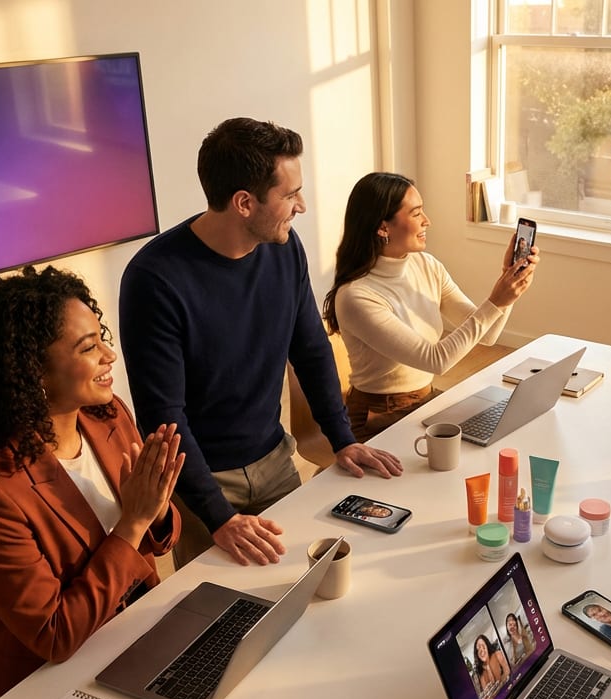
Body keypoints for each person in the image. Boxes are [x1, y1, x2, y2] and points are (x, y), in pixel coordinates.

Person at [120, 118, 402, 568]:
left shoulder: (284, 248)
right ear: (244, 203)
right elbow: (164, 418)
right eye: (290, 195)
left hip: (275, 457)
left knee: (307, 577)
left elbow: (310, 348)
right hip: (203, 482)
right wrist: (217, 516)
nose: (302, 205)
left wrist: (342, 439)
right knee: (222, 611)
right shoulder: (155, 280)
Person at [0, 266, 184, 699]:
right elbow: (55, 635)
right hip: (36, 683)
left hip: (126, 636)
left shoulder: (106, 415)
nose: (110, 355)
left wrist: (155, 513)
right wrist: (135, 522)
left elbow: (156, 541)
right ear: (32, 371)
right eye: (88, 347)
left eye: (102, 338)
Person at [322, 172, 537, 441]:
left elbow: (488, 335)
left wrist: (508, 285)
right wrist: (496, 300)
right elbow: (436, 360)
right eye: (416, 213)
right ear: (383, 227)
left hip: (424, 399)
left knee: (503, 427)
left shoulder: (426, 265)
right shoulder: (356, 296)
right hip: (376, 418)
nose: (427, 221)